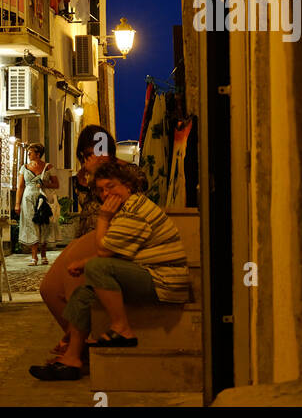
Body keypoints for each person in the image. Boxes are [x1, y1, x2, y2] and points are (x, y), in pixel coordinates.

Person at [29, 159, 190, 380]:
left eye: (111, 186)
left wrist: (104, 218)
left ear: (128, 185)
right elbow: (116, 249)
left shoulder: (135, 209)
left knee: (98, 267)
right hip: (148, 274)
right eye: (102, 190)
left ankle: (121, 328)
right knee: (83, 294)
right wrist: (84, 263)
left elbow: (104, 253)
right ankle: (72, 359)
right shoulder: (128, 208)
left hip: (164, 281)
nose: (106, 194)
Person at [38, 125, 145, 352]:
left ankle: (75, 348)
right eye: (87, 154)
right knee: (48, 289)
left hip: (110, 235)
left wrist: (101, 174)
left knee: (71, 282)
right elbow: (88, 207)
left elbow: (129, 197)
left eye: (99, 149)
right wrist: (89, 178)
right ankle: (76, 339)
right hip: (84, 235)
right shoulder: (83, 177)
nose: (94, 157)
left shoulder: (129, 173)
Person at [14, 142, 59, 264]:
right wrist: (17, 203)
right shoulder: (24, 168)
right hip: (28, 199)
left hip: (43, 199)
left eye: (31, 152)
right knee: (31, 224)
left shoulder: (48, 167)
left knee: (43, 224)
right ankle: (34, 256)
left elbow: (56, 184)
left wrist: (45, 184)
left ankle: (43, 255)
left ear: (38, 154)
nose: (28, 154)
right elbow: (20, 187)